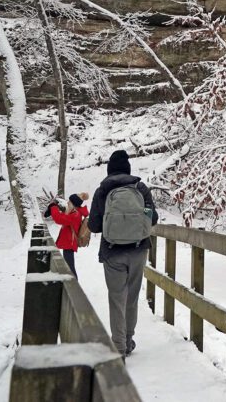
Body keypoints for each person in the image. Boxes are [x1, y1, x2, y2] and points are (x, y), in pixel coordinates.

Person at [88, 149, 158, 357]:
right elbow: (152, 218)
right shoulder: (140, 187)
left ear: (109, 170)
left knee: (116, 298)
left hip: (112, 253)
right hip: (138, 250)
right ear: (128, 169)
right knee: (132, 298)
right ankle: (128, 340)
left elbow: (93, 225)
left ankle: (118, 346)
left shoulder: (103, 190)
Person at [47, 193, 89, 278]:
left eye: (70, 201)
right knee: (69, 268)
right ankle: (73, 287)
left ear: (74, 204)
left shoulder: (75, 215)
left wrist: (53, 207)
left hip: (70, 244)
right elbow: (62, 216)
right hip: (68, 243)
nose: (68, 203)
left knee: (70, 269)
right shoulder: (74, 213)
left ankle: (75, 288)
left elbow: (59, 219)